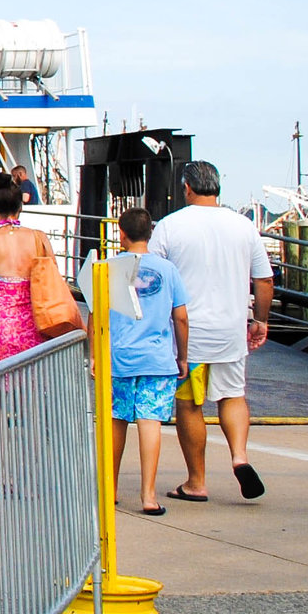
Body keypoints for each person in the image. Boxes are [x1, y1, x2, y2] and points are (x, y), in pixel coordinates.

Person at [150, 160, 272, 504]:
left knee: (190, 405)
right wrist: (260, 320)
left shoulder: (170, 227)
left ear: (187, 187)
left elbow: (152, 277)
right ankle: (240, 457)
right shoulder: (243, 226)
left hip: (188, 333)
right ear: (218, 187)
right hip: (231, 328)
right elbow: (263, 279)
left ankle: (196, 481)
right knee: (233, 396)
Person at [107, 208, 189, 517]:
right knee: (150, 422)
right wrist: (182, 355)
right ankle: (149, 495)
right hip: (157, 358)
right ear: (150, 233)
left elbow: (95, 315)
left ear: (121, 233)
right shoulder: (167, 269)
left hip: (119, 357)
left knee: (117, 420)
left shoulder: (109, 268)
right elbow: (180, 317)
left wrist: (95, 354)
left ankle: (111, 488)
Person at [0, 178, 60, 369]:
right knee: (35, 384)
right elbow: (53, 278)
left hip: (1, 327)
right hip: (37, 324)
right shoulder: (38, 237)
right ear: (21, 206)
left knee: (4, 387)